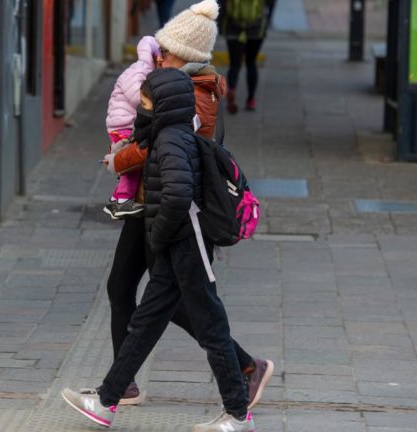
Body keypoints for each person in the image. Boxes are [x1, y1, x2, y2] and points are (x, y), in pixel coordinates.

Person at [101, 0, 274, 408]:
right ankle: (121, 385)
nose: (159, 56)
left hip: (173, 207)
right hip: (153, 197)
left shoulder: (197, 96)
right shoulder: (176, 85)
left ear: (187, 55)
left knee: (174, 301)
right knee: (131, 289)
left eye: (167, 51)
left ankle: (245, 369)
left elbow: (162, 144)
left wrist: (120, 158)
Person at [63, 68, 253, 432]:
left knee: (211, 325)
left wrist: (158, 234)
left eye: (147, 102)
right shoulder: (169, 136)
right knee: (145, 323)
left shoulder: (170, 141)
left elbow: (179, 195)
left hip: (187, 243)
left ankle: (239, 415)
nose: (141, 108)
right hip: (176, 243)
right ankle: (106, 402)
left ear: (163, 105)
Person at [103, 36, 160, 219]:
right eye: (158, 55)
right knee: (131, 164)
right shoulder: (139, 70)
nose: (160, 60)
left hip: (122, 122)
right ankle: (123, 201)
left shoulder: (143, 70)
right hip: (123, 124)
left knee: (129, 161)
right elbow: (137, 96)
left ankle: (115, 199)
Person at [219, 0, 276, 113]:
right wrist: (268, 18)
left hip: (232, 27)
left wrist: (220, 24)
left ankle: (232, 89)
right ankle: (250, 100)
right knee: (251, 62)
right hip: (257, 28)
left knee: (235, 64)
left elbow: (220, 4)